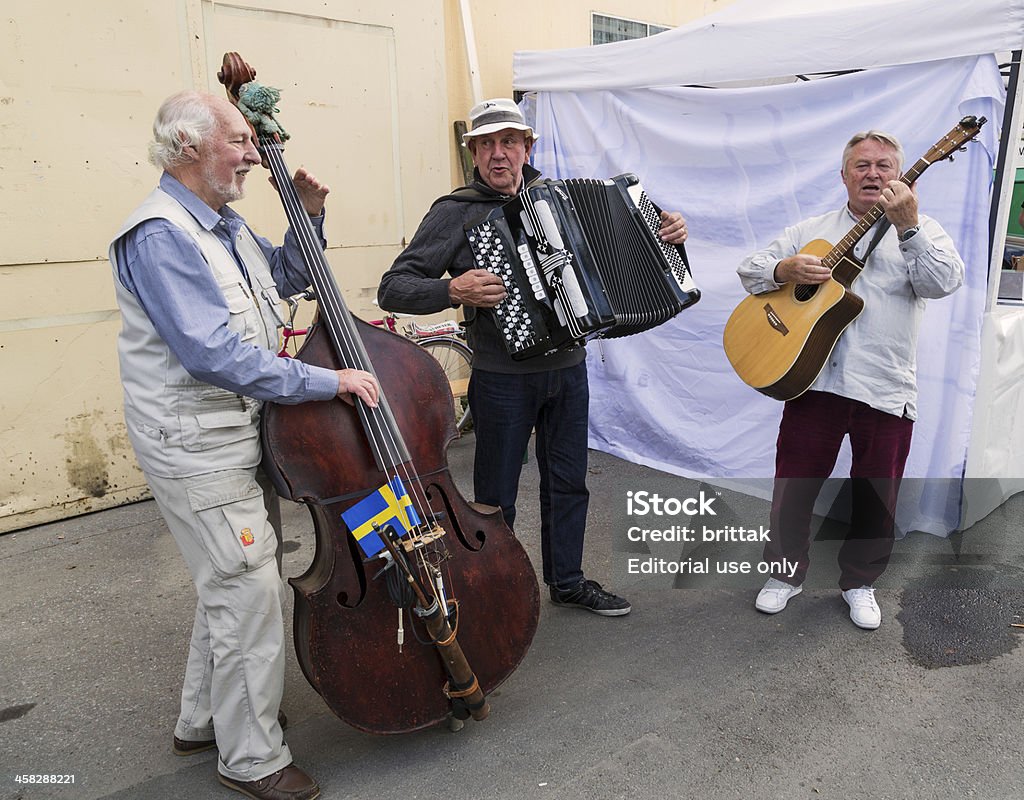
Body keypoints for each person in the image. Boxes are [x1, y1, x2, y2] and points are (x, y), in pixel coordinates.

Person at [110, 90, 379, 800]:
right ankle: (252, 758)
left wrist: (310, 216)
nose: (255, 152)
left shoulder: (221, 226)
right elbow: (211, 354)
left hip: (234, 431)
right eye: (239, 139)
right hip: (198, 441)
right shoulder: (162, 234)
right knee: (246, 588)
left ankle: (203, 719)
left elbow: (288, 278)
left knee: (230, 578)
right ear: (189, 146)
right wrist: (328, 380)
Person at [377, 98, 688, 616]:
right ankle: (495, 588)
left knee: (569, 483)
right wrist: (453, 288)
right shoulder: (455, 212)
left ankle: (567, 580)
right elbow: (394, 288)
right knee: (496, 495)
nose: (499, 155)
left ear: (526, 148)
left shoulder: (556, 199)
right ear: (473, 153)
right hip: (501, 378)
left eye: (509, 142)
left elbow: (620, 253)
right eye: (487, 145)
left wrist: (668, 237)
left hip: (569, 371)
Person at [738, 130, 964, 630]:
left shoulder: (923, 229)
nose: (873, 173)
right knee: (793, 488)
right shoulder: (813, 228)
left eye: (885, 165)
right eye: (861, 165)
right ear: (843, 176)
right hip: (813, 384)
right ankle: (785, 575)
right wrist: (783, 267)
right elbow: (749, 270)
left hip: (884, 386)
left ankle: (860, 582)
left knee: (875, 494)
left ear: (902, 175)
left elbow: (944, 282)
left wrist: (908, 229)